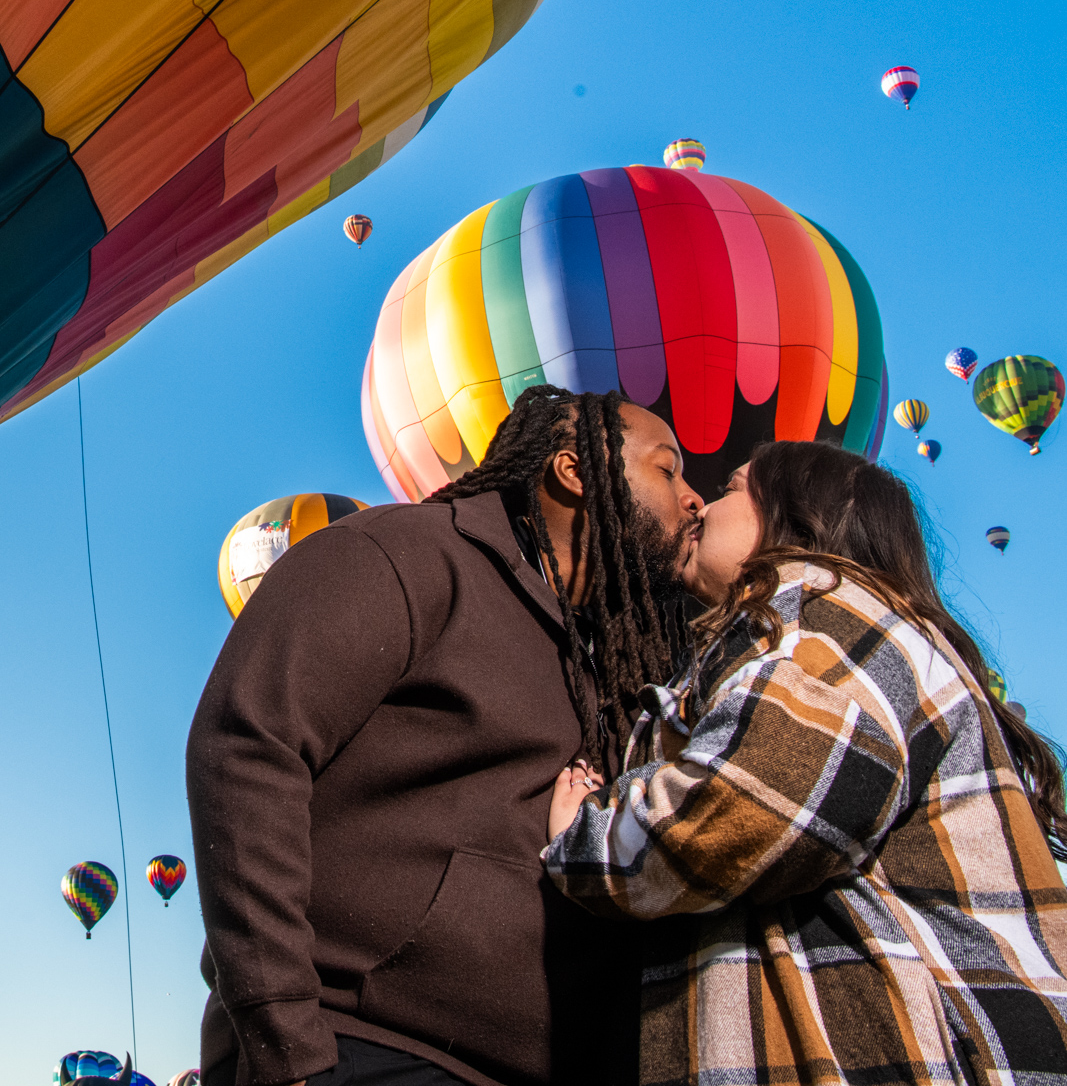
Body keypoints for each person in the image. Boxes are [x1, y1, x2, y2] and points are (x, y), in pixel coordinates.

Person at [187, 386, 703, 1086]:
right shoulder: (402, 553)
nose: (693, 497)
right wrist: (288, 1044)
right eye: (667, 469)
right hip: (367, 1049)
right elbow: (247, 747)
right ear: (574, 470)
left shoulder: (607, 660)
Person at [544, 439, 1067, 1086]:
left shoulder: (821, 611)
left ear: (794, 515)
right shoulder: (801, 635)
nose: (698, 503)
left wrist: (583, 841)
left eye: (731, 487)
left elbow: (749, 805)